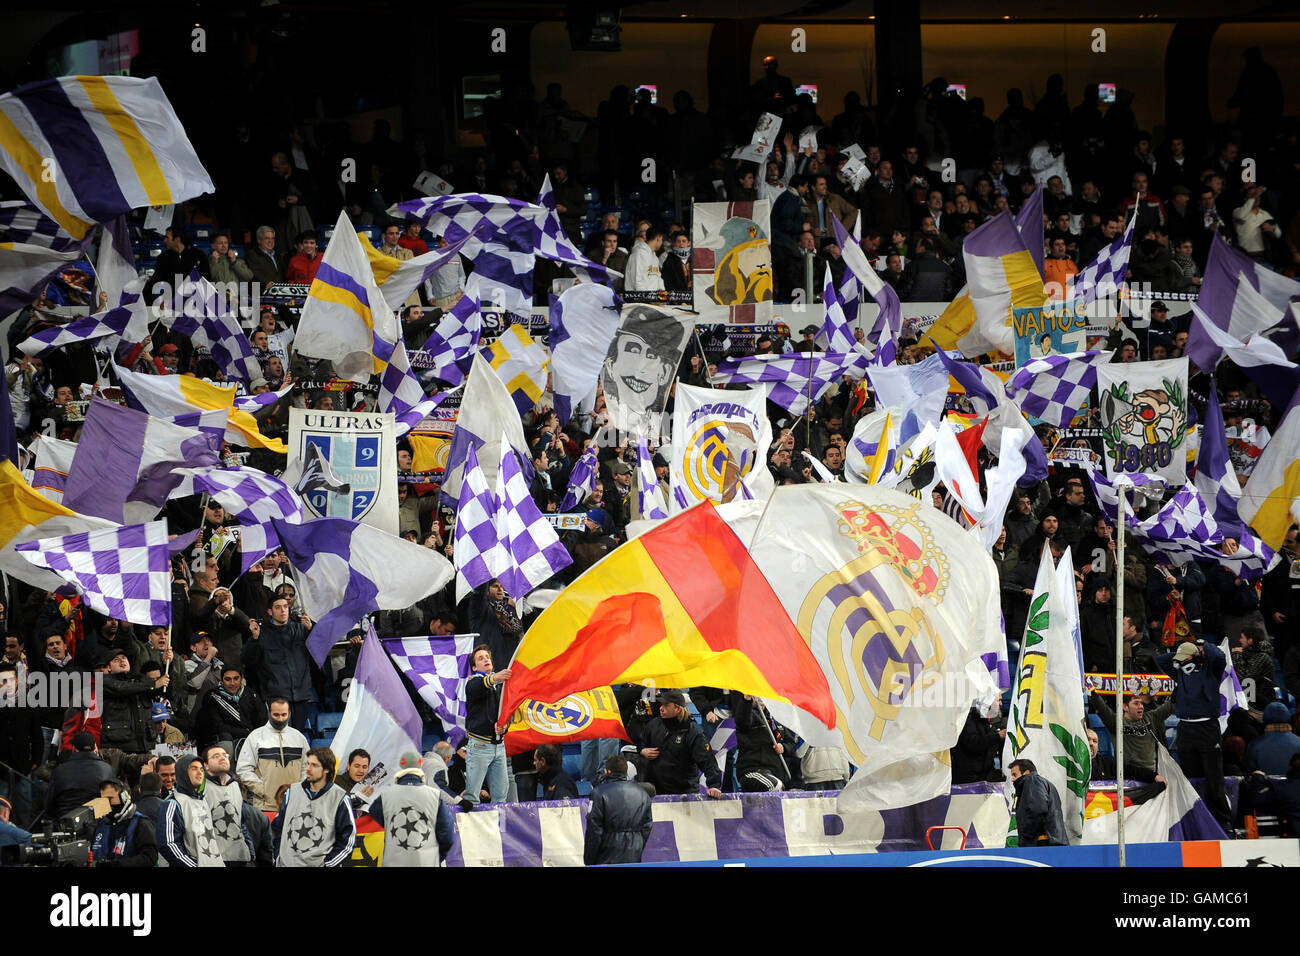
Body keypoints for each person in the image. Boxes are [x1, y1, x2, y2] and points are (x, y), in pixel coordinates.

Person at [1158, 640, 1232, 829]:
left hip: (1207, 727)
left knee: (1213, 778)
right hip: (1186, 728)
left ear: (1196, 657)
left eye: (1184, 658)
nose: (1180, 662)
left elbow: (1219, 656)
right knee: (1190, 778)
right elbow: (1161, 660)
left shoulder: (1211, 670)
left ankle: (1223, 822)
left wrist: (1202, 644)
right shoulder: (1180, 672)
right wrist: (1180, 651)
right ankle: (1195, 818)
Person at [242, 596, 316, 736]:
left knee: (297, 736)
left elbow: (317, 655)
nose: (283, 610)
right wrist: (255, 639)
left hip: (301, 694)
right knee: (279, 736)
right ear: (270, 611)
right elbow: (248, 660)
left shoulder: (301, 629)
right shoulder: (261, 632)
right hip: (276, 695)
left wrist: (311, 632)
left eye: (285, 607)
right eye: (278, 607)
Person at [271, 746, 356, 867]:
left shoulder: (340, 798)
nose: (308, 769)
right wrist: (278, 857)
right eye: (307, 764)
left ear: (326, 769)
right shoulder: (291, 792)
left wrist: (327, 864)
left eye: (314, 765)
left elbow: (348, 840)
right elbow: (276, 829)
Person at [370, 751, 454, 867]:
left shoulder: (385, 795)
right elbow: (447, 835)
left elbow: (375, 817)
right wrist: (437, 855)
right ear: (420, 765)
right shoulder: (435, 796)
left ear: (401, 766)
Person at [637, 690, 723, 797]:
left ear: (677, 709)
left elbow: (707, 759)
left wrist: (714, 785)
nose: (661, 708)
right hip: (656, 792)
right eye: (661, 704)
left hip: (684, 793)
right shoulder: (654, 724)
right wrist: (642, 750)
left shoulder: (692, 731)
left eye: (666, 705)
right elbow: (641, 741)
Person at [235, 698, 308, 812]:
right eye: (276, 715)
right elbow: (243, 769)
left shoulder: (299, 738)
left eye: (284, 715)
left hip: (295, 806)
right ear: (269, 713)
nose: (280, 719)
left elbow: (306, 768)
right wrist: (263, 790)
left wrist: (300, 790)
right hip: (265, 807)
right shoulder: (255, 737)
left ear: (289, 713)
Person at [461, 644, 512, 808]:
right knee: (472, 797)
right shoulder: (473, 683)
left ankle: (499, 831)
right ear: (474, 668)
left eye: (487, 657)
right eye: (480, 658)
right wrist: (495, 677)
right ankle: (470, 833)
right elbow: (476, 688)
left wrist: (505, 726)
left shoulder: (498, 687)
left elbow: (506, 712)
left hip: (499, 745)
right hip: (479, 745)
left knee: (501, 797)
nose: (486, 659)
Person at [584, 754, 654, 866]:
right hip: (634, 854)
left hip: (606, 855)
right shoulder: (642, 794)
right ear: (626, 771)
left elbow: (594, 831)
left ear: (607, 771)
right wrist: (637, 846)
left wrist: (589, 860)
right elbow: (647, 826)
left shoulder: (598, 793)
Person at [158, 754, 226, 867]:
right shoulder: (172, 804)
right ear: (183, 772)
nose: (199, 773)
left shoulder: (204, 800)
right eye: (194, 769)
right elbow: (168, 844)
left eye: (201, 769)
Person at [203, 743, 258, 865]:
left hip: (240, 855)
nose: (222, 758)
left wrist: (249, 850)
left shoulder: (234, 785)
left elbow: (241, 822)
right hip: (216, 857)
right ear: (206, 765)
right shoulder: (201, 788)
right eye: (216, 756)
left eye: (224, 755)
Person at [196, 664, 266, 750]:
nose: (232, 683)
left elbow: (262, 721)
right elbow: (217, 726)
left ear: (241, 679)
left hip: (250, 737)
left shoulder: (251, 695)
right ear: (221, 681)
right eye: (228, 679)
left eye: (236, 678)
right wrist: (246, 732)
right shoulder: (212, 696)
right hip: (223, 740)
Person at [45, 731, 114, 818]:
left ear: (74, 749)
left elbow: (49, 806)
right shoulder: (108, 769)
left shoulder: (60, 770)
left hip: (65, 824)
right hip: (98, 825)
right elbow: (111, 803)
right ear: (95, 748)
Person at [91, 778, 158, 867]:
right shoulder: (101, 824)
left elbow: (149, 858)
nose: (106, 804)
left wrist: (117, 865)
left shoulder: (141, 823)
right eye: (103, 800)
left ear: (124, 797)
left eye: (110, 798)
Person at [1007, 758, 1067, 846]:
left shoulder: (1031, 780)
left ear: (1026, 773)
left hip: (1041, 842)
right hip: (1051, 841)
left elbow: (1037, 809)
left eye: (1015, 775)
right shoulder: (1045, 783)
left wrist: (1027, 837)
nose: (1012, 779)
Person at [1244, 753, 1300, 835]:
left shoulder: (1283, 787)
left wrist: (1257, 778)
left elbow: (1258, 799)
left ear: (1290, 767)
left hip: (1293, 837)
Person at [1246, 702, 1300, 775]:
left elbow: (1251, 774)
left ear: (1265, 718)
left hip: (1266, 786)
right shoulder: (1298, 742)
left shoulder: (1254, 745)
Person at [624, 226, 665, 292]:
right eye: (662, 240)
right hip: (639, 301)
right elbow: (637, 281)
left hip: (652, 300)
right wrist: (649, 300)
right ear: (658, 238)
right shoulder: (638, 254)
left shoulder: (655, 258)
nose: (661, 243)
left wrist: (662, 297)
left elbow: (658, 279)